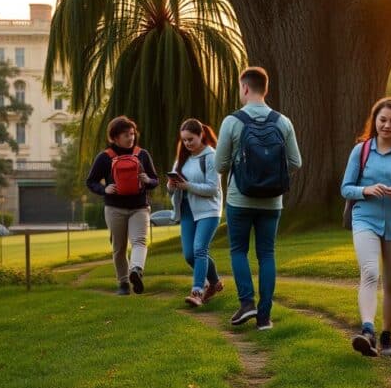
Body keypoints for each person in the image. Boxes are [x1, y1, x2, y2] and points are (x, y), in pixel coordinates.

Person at [215, 67, 302, 330]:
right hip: (272, 202)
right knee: (267, 254)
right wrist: (271, 176)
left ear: (244, 88)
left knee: (238, 251)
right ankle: (264, 318)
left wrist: (241, 168)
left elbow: (220, 165)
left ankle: (247, 303)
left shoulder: (233, 121)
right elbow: (296, 162)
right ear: (266, 89)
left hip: (239, 199)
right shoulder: (282, 121)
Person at [340, 97, 391, 357]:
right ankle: (367, 331)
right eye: (383, 120)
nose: (387, 125)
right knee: (369, 273)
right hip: (365, 218)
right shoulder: (361, 150)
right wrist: (365, 190)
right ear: (374, 121)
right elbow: (345, 188)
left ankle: (387, 335)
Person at [86, 116, 159, 295]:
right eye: (126, 135)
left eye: (132, 134)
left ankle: (136, 270)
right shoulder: (104, 157)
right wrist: (105, 189)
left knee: (139, 241)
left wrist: (147, 180)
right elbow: (91, 181)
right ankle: (123, 283)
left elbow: (155, 180)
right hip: (114, 208)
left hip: (139, 207)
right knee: (118, 247)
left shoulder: (142, 154)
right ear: (115, 137)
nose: (131, 138)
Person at [168, 118, 224, 307]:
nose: (187, 143)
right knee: (190, 255)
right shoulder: (181, 159)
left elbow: (212, 189)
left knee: (200, 249)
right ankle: (215, 283)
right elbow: (173, 189)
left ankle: (198, 291)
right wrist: (171, 185)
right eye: (184, 140)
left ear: (202, 135)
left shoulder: (211, 157)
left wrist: (187, 185)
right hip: (187, 211)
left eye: (191, 139)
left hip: (208, 210)